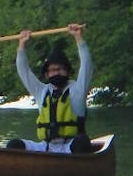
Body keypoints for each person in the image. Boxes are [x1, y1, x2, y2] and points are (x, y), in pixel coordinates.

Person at [7, 23, 94, 154]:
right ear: (47, 74)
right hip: (46, 146)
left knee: (83, 141)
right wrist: (22, 45)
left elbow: (87, 63)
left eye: (61, 69)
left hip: (70, 146)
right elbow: (23, 70)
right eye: (52, 70)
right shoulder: (41, 91)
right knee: (14, 144)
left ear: (68, 71)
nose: (57, 73)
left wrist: (78, 38)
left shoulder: (78, 89)